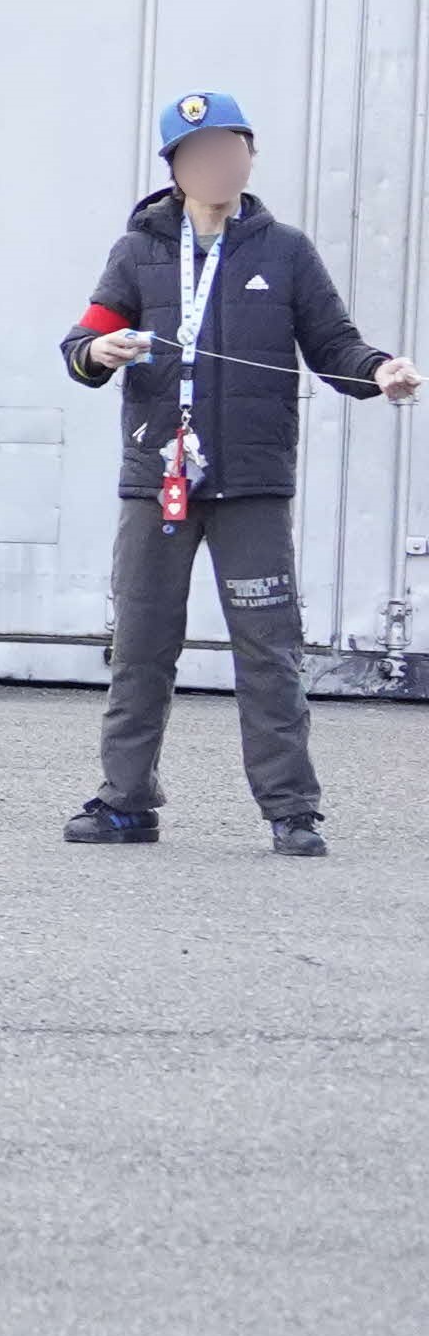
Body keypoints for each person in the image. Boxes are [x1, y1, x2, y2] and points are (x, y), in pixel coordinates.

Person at [63, 88, 419, 857]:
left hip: (252, 483)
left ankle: (292, 810)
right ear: (175, 167)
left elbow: (334, 346)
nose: (216, 164)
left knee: (268, 649)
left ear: (249, 156)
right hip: (158, 480)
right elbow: (81, 345)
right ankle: (126, 802)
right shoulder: (138, 252)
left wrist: (379, 371)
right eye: (199, 154)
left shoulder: (284, 250)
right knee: (142, 646)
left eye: (229, 149)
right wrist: (99, 351)